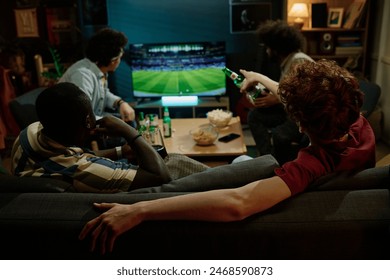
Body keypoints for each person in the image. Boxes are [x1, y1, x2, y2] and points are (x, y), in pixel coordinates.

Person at [79, 60, 376, 254]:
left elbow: (238, 203)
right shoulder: (357, 123)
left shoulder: (311, 164)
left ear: (299, 122)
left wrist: (139, 210)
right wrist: (262, 79)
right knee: (241, 162)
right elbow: (307, 103)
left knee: (237, 163)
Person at [10, 82, 171, 192]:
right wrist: (128, 131)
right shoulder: (83, 170)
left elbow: (74, 155)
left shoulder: (29, 132)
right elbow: (161, 177)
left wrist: (121, 151)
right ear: (88, 121)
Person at [248, 19, 314, 164]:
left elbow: (307, 95)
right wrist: (268, 97)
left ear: (275, 48)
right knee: (254, 116)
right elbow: (288, 90)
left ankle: (277, 165)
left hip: (306, 118)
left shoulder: (299, 60)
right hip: (290, 113)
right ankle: (267, 159)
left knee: (280, 134)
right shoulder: (288, 63)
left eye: (268, 47)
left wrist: (276, 99)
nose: (266, 51)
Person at [59, 28, 135, 123]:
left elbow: (103, 94)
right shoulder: (83, 75)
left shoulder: (98, 69)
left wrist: (120, 103)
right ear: (113, 61)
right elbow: (82, 115)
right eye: (120, 57)